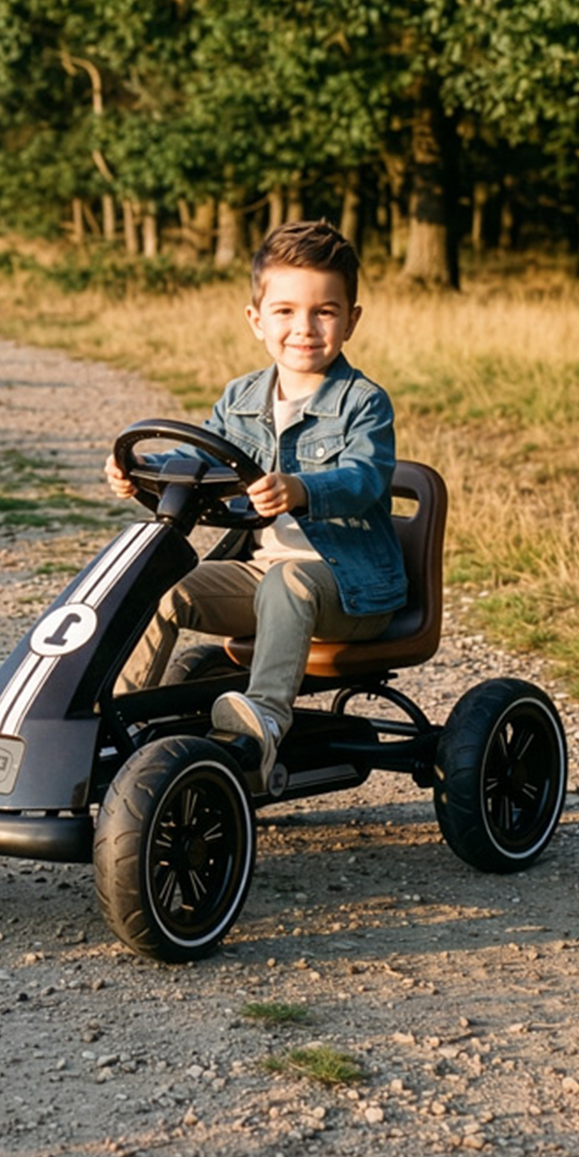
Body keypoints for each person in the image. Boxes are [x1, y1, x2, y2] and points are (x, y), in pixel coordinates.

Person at [104, 219, 407, 781]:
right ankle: (114, 721)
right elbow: (200, 466)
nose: (305, 328)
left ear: (352, 319)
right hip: (258, 577)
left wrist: (302, 488)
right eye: (286, 311)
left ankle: (264, 722)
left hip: (349, 586)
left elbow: (366, 478)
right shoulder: (240, 398)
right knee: (158, 582)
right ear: (256, 320)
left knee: (288, 581)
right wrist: (141, 474)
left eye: (325, 311)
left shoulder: (364, 402)